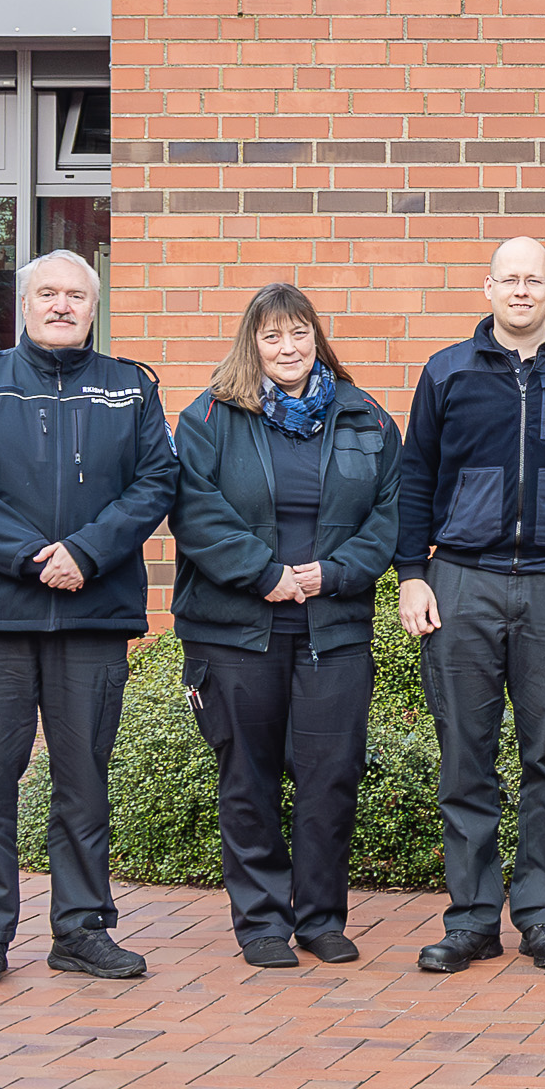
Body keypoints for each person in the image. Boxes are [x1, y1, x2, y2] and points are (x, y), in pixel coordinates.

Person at [0, 249, 176, 988]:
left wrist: (87, 554)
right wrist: (35, 556)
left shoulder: (129, 388)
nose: (62, 305)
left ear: (94, 308)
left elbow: (158, 479)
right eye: (48, 294)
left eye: (76, 295)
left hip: (92, 616)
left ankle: (81, 931)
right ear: (24, 303)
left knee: (84, 784)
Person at [168, 283, 405, 967]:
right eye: (272, 336)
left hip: (333, 628)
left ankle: (321, 917)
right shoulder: (210, 417)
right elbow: (195, 512)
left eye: (298, 333)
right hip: (236, 631)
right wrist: (265, 572)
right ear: (253, 344)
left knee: (331, 773)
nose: (287, 348)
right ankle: (263, 922)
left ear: (316, 337)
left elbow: (388, 515)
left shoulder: (366, 420)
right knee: (249, 775)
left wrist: (329, 574)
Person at [394, 238, 545, 975]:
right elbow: (415, 476)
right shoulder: (447, 371)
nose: (522, 291)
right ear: (487, 287)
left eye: (535, 280)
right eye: (509, 279)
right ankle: (471, 919)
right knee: (466, 756)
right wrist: (409, 574)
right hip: (462, 579)